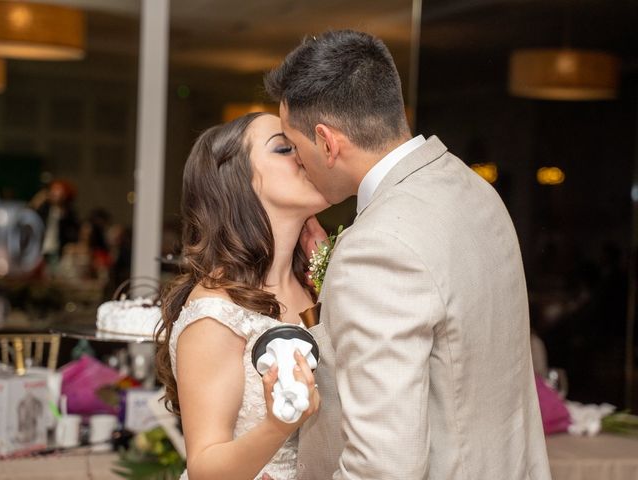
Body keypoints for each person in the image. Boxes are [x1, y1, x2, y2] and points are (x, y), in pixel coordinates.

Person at [265, 30, 552, 479]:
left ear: (326, 142)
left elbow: (384, 465)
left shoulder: (375, 248)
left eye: (295, 147)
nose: (299, 163)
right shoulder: (475, 190)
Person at [154, 112, 326, 480]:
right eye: (284, 148)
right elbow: (205, 467)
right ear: (238, 184)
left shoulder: (315, 284)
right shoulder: (216, 311)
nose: (304, 155)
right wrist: (278, 426)